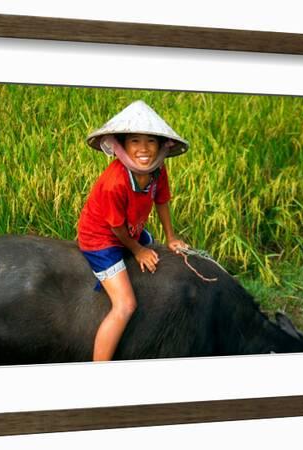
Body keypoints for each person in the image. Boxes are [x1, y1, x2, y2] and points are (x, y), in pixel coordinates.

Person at [77, 100, 189, 361]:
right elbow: (115, 227)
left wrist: (171, 238)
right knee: (125, 305)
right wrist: (138, 250)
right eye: (135, 141)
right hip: (103, 238)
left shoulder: (157, 171)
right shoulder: (114, 182)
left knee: (155, 246)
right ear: (123, 145)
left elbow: (161, 200)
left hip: (131, 228)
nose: (143, 149)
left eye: (151, 141)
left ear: (162, 146)